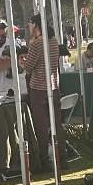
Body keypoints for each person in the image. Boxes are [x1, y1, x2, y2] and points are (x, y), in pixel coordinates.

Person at [0, 19, 29, 182]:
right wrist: (10, 62)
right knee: (0, 134)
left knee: (18, 130)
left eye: (3, 35)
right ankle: (2, 166)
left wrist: (7, 62)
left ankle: (20, 163)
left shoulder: (13, 44)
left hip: (13, 93)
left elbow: (22, 66)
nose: (0, 38)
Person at [20, 14, 62, 172]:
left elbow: (29, 67)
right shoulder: (54, 41)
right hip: (54, 86)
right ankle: (61, 157)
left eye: (30, 23)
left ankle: (44, 160)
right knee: (57, 124)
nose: (29, 26)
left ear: (36, 25)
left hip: (38, 89)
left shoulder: (37, 44)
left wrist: (21, 62)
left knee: (41, 127)